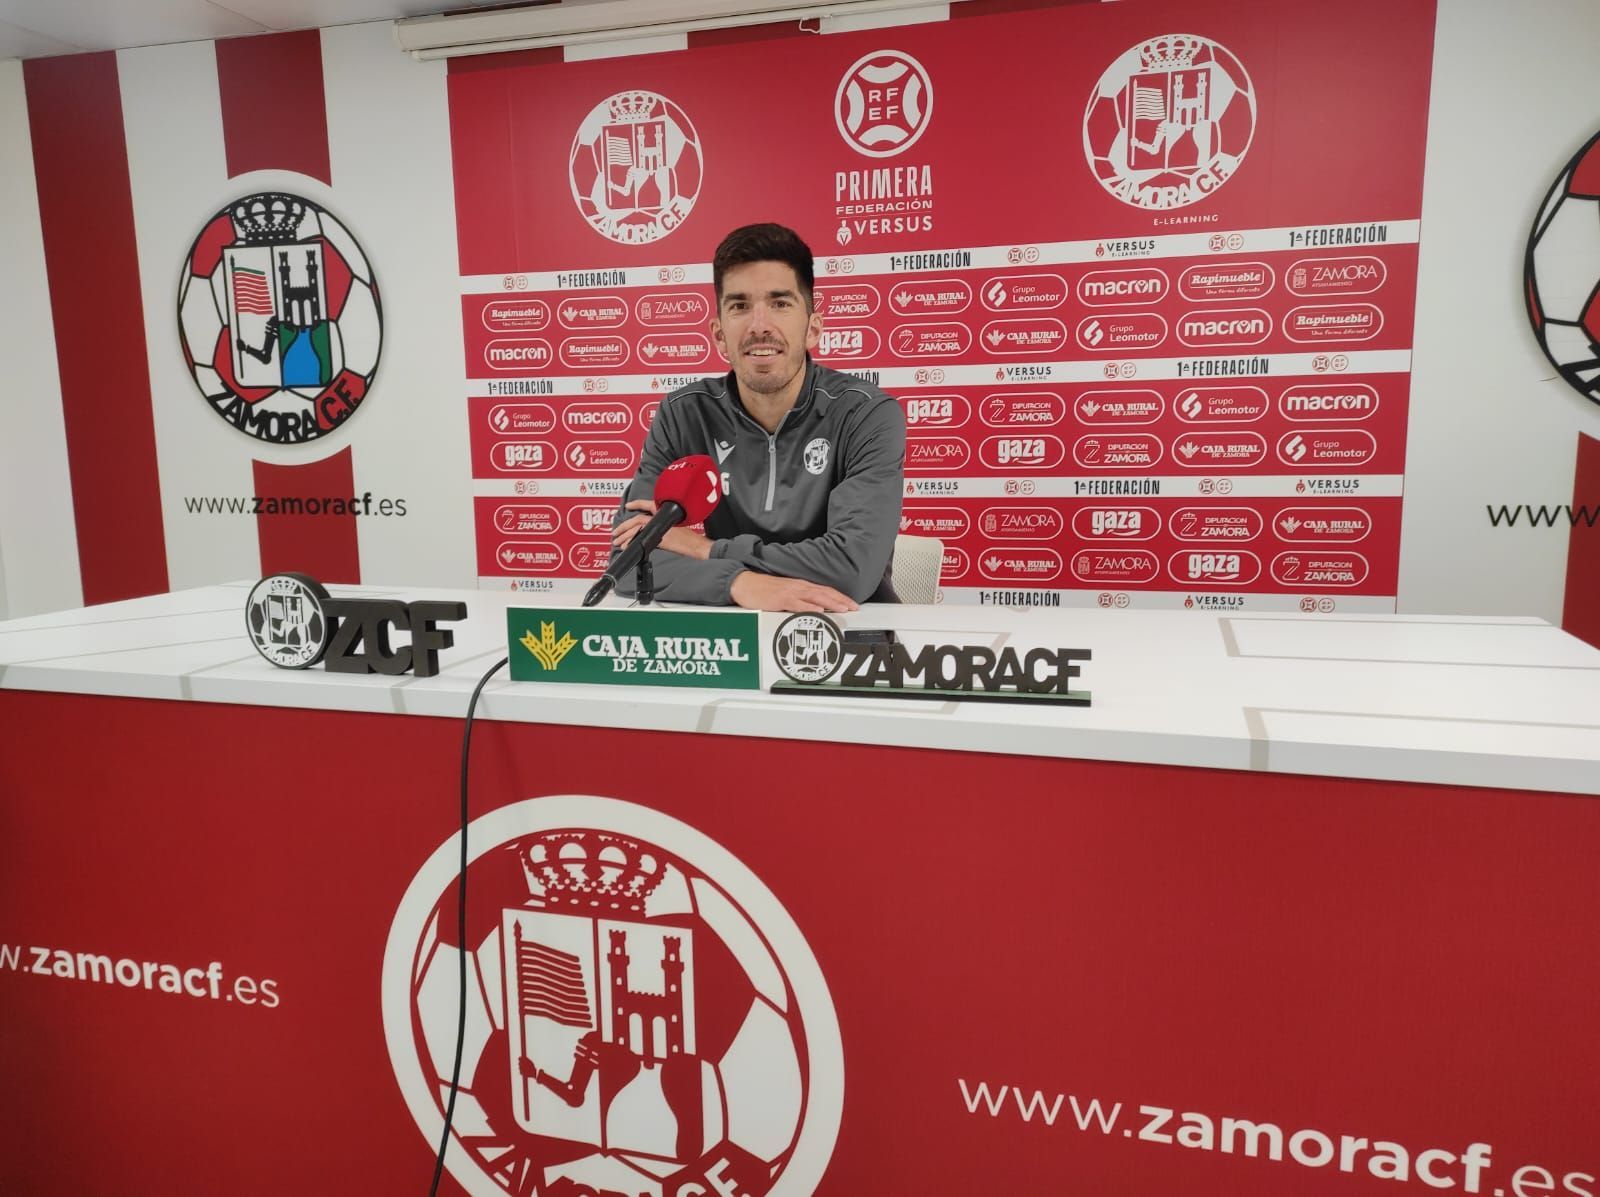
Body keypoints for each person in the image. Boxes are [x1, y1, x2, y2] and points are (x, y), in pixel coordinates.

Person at [609, 223, 905, 612]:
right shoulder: (683, 413)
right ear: (718, 334)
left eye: (780, 303)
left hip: (846, 630)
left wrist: (706, 550)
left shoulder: (865, 413)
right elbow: (628, 565)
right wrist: (737, 583)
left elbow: (852, 567)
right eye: (740, 306)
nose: (760, 326)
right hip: (730, 635)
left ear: (812, 328)